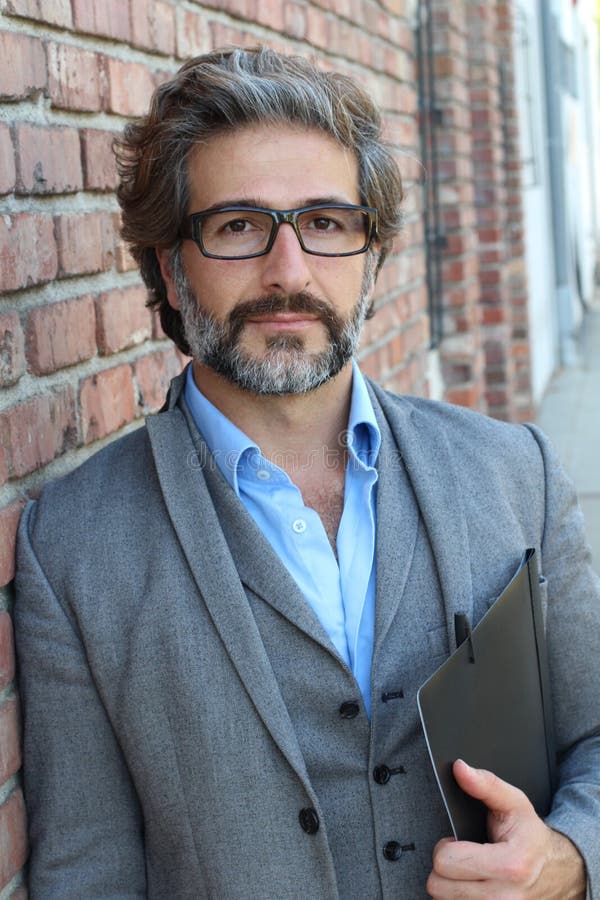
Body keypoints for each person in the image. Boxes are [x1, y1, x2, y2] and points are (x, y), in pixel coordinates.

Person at [14, 47, 599, 899]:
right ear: (173, 272)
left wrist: (571, 857)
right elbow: (87, 875)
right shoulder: (72, 548)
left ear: (371, 255)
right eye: (239, 225)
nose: (288, 272)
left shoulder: (516, 473)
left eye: (326, 223)